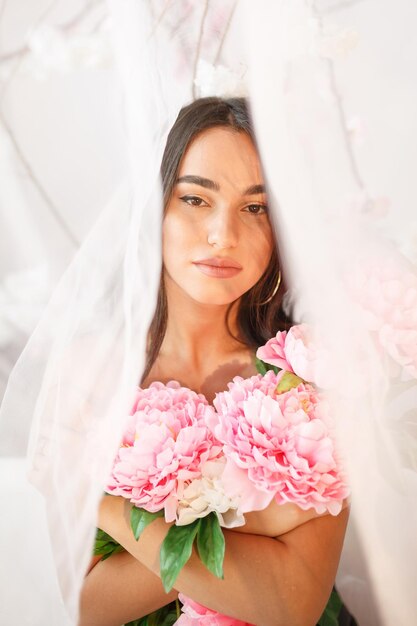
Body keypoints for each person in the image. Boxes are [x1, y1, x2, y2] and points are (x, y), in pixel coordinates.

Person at [78, 98, 349, 626]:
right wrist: (265, 522)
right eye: (196, 198)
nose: (223, 234)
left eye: (255, 208)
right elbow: (84, 606)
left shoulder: (303, 375)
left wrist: (107, 508)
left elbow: (292, 604)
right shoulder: (93, 373)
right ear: (155, 206)